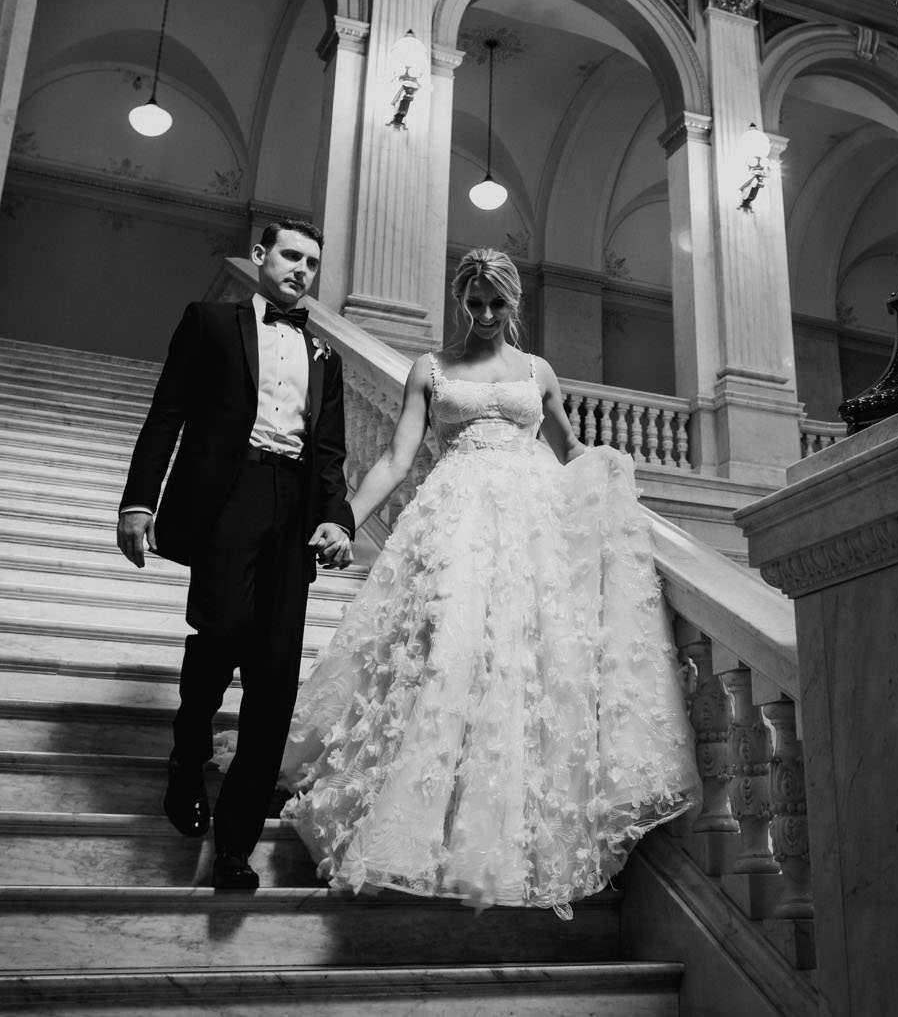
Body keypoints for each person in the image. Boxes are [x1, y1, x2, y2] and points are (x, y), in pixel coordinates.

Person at [281, 248, 698, 917]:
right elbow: (396, 458)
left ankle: (499, 831)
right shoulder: (430, 369)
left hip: (530, 527)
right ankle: (422, 815)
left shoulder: (538, 371)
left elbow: (569, 450)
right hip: (454, 516)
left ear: (514, 303)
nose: (483, 314)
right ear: (460, 300)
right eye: (473, 302)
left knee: (520, 665)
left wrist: (609, 469)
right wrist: (345, 519)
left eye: (496, 303)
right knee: (443, 654)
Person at [116, 218, 355, 891]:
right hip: (229, 498)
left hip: (294, 511)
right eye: (290, 255)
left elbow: (330, 454)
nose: (301, 269)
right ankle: (186, 760)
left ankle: (235, 845)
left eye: (312, 262)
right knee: (219, 639)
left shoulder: (325, 356)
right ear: (260, 256)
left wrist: (336, 519)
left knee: (276, 680)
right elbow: (167, 412)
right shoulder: (210, 322)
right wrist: (138, 501)